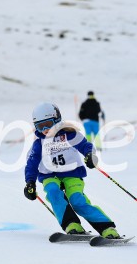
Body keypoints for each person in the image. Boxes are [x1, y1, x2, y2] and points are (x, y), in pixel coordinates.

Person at [23, 102, 121, 239]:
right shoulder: (39, 143)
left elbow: (86, 146)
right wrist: (30, 183)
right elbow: (32, 164)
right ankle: (72, 225)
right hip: (49, 175)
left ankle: (107, 228)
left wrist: (90, 156)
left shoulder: (70, 135)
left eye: (48, 124)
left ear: (57, 120)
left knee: (76, 200)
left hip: (72, 174)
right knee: (53, 193)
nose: (45, 129)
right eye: (40, 126)